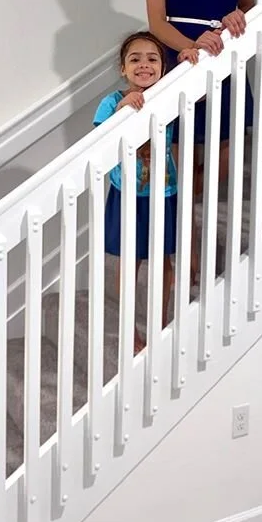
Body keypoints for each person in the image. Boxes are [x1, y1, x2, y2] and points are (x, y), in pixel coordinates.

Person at [140, 0, 255, 275]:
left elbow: (248, 6)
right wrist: (191, 47)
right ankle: (185, 251)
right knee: (182, 161)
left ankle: (180, 210)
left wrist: (233, 20)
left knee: (227, 156)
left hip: (225, 61)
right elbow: (157, 22)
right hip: (182, 63)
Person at [93, 31, 198, 353]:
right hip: (127, 194)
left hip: (162, 192)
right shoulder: (112, 101)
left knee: (162, 260)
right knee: (130, 261)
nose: (144, 65)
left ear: (162, 69)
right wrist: (121, 111)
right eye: (135, 59)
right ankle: (129, 331)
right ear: (123, 68)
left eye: (152, 59)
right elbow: (99, 140)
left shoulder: (168, 93)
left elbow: (199, 91)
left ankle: (160, 323)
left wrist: (189, 62)